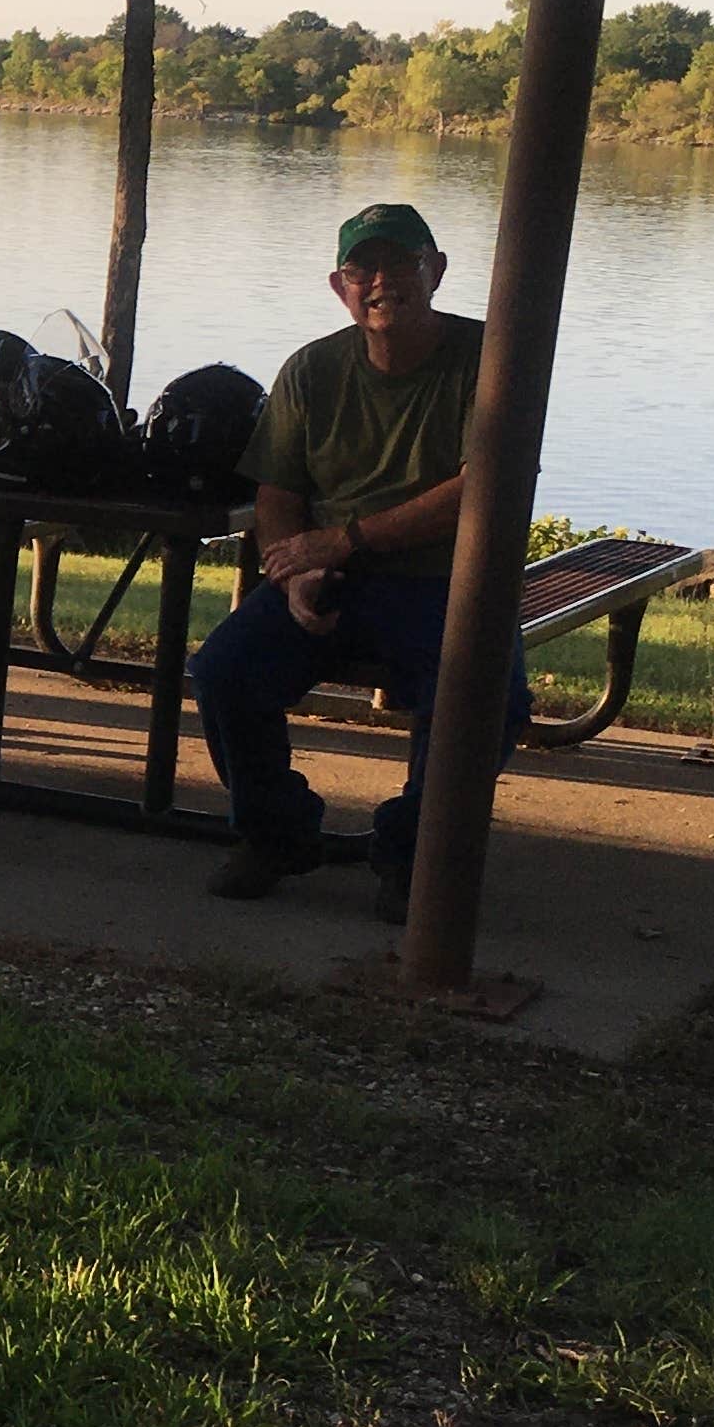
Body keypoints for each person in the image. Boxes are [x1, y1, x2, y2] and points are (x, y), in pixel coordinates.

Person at [185, 201, 526, 921]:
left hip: (448, 582)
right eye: (362, 268)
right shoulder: (311, 370)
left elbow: (479, 488)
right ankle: (275, 835)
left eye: (401, 263)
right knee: (223, 668)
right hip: (332, 576)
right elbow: (279, 488)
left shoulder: (489, 360)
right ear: (339, 286)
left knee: (488, 696)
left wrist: (345, 540)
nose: (382, 281)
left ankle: (410, 853)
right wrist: (295, 569)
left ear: (436, 271)